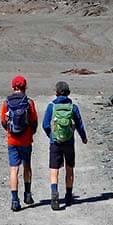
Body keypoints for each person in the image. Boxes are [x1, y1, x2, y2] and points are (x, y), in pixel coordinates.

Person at [42, 80, 87, 211]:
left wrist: (51, 135)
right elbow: (79, 125)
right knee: (69, 167)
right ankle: (68, 195)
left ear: (56, 93)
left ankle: (54, 193)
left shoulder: (51, 106)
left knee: (54, 169)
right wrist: (83, 137)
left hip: (55, 142)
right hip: (69, 142)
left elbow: (45, 125)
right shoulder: (73, 107)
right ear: (68, 92)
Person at [0, 75, 37, 212]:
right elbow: (34, 122)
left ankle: (15, 201)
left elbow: (3, 122)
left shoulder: (6, 103)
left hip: (12, 141)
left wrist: (11, 132)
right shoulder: (29, 102)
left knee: (14, 169)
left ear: (12, 87)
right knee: (27, 166)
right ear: (25, 87)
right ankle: (27, 195)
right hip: (26, 140)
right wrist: (30, 133)